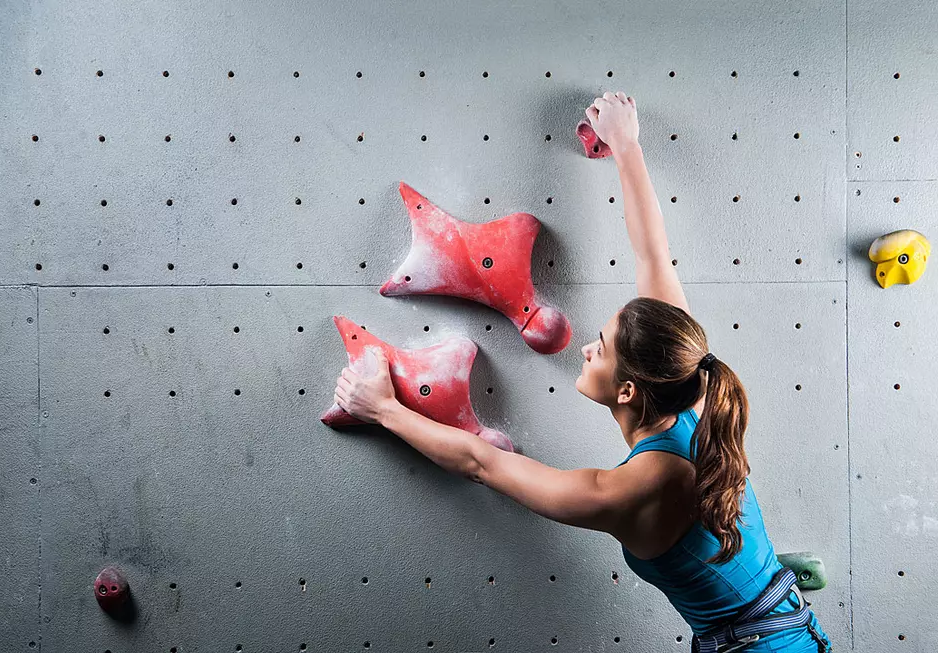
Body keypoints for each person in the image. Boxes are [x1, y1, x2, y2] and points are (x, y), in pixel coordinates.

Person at [332, 90, 833, 652]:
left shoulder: (632, 487)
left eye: (601, 345)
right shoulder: (697, 383)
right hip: (790, 633)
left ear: (626, 389)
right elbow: (652, 257)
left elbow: (482, 463)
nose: (588, 349)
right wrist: (625, 143)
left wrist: (382, 408)